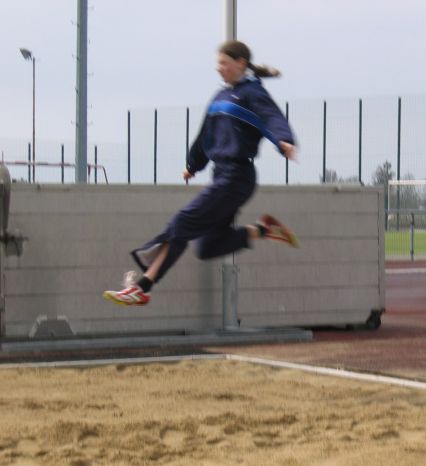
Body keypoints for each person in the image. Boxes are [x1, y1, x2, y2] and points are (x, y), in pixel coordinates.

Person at [104, 40, 298, 306]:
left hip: (236, 177)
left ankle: (142, 287)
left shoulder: (252, 93)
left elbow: (272, 117)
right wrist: (193, 164)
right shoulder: (220, 97)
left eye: (223, 63)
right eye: (218, 63)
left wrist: (284, 140)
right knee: (207, 247)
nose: (219, 68)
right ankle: (263, 230)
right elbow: (206, 134)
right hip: (222, 175)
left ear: (240, 63)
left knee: (182, 223)